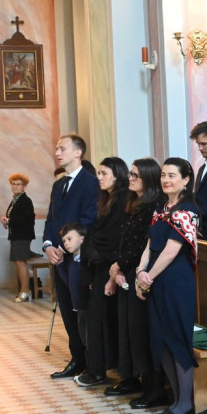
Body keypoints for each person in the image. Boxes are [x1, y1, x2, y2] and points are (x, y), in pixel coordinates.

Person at [135, 158, 199, 414]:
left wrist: (148, 275)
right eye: (163, 175)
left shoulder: (187, 210)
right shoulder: (162, 208)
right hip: (156, 278)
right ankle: (175, 400)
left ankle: (186, 404)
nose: (165, 180)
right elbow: (150, 245)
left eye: (172, 175)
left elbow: (172, 252)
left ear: (185, 179)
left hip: (176, 281)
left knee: (177, 341)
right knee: (161, 341)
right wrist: (140, 272)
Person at [43, 134, 100, 380]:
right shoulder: (58, 185)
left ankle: (91, 361)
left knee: (81, 311)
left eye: (63, 148)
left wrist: (66, 245)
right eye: (57, 148)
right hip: (58, 258)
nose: (58, 152)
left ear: (78, 152)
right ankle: (76, 358)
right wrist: (48, 246)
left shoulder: (90, 183)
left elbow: (88, 219)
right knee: (66, 309)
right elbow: (50, 219)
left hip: (78, 257)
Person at [108, 158, 165, 403]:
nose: (130, 178)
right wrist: (117, 268)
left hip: (143, 272)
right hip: (128, 270)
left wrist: (119, 266)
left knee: (142, 331)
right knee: (128, 329)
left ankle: (153, 388)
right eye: (130, 174)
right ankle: (132, 378)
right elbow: (125, 240)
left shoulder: (154, 205)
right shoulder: (134, 203)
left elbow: (143, 244)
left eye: (135, 175)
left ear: (148, 180)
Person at [76, 157, 130, 388]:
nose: (99, 177)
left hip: (111, 266)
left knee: (101, 318)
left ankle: (100, 370)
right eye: (98, 173)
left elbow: (112, 236)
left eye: (104, 173)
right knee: (96, 317)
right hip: (99, 264)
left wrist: (92, 246)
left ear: (117, 175)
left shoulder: (122, 199)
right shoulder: (106, 198)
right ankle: (98, 367)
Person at [1, 173, 38, 302]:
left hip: (22, 236)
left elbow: (22, 220)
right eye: (13, 184)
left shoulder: (25, 200)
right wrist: (6, 221)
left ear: (24, 186)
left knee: (21, 262)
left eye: (18, 184)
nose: (15, 187)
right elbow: (13, 218)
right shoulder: (15, 199)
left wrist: (8, 220)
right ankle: (23, 290)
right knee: (18, 262)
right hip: (16, 235)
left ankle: (25, 291)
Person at [57, 222, 90, 354]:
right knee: (84, 339)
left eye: (69, 239)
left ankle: (94, 370)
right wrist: (60, 266)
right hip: (79, 308)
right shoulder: (72, 262)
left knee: (90, 339)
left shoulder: (86, 261)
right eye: (64, 241)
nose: (66, 243)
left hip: (87, 307)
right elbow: (70, 283)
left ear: (82, 238)